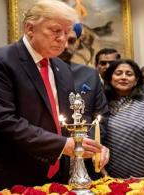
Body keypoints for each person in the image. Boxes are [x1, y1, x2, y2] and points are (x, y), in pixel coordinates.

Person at [0, 1, 109, 193]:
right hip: (1, 171)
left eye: (67, 32)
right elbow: (2, 120)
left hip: (45, 172)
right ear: (30, 28)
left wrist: (88, 144)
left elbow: (64, 120)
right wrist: (64, 145)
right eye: (55, 30)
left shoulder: (62, 68)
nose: (63, 39)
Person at [58, 23, 109, 179]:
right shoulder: (38, 71)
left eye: (72, 40)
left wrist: (86, 142)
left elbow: (101, 116)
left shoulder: (89, 74)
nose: (66, 46)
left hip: (85, 157)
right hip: (49, 155)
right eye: (62, 39)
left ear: (79, 42)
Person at [102, 59, 144, 178]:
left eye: (129, 74)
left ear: (136, 81)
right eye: (118, 73)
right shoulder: (101, 105)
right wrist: (105, 177)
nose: (124, 77)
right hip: (107, 179)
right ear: (110, 78)